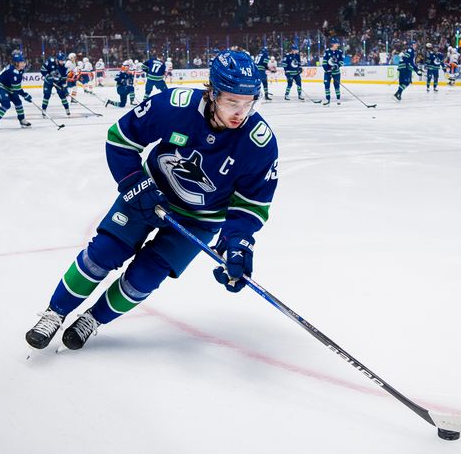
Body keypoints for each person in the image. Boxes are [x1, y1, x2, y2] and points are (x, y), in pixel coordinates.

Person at [25, 49, 279, 351]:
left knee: (144, 277)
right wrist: (135, 183)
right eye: (231, 102)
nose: (240, 112)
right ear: (212, 93)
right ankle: (55, 313)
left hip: (200, 220)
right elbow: (120, 139)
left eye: (248, 103)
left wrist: (237, 243)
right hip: (147, 194)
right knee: (103, 253)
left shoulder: (259, 143)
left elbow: (250, 204)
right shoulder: (173, 106)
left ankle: (93, 318)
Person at [0, 52, 32, 129]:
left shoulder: (20, 70)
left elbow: (16, 86)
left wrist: (24, 94)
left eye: (24, 62)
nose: (23, 64)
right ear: (16, 63)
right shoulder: (13, 71)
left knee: (18, 102)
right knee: (6, 104)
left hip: (10, 88)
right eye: (21, 62)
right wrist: (25, 94)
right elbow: (17, 88)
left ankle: (22, 120)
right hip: (1, 86)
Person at [40, 51, 71, 117]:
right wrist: (48, 76)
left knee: (62, 95)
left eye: (63, 61)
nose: (62, 62)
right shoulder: (50, 61)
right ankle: (44, 110)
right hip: (48, 82)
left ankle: (67, 109)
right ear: (57, 59)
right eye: (61, 61)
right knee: (47, 95)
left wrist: (65, 89)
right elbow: (42, 70)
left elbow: (64, 79)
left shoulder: (64, 67)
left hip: (58, 82)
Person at [322, 38, 344, 105]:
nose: (338, 45)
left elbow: (341, 62)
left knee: (336, 85)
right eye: (337, 43)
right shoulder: (327, 51)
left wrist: (337, 66)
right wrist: (327, 70)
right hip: (327, 73)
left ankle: (338, 99)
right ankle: (328, 99)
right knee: (326, 85)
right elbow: (324, 62)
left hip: (336, 73)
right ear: (333, 44)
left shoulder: (339, 52)